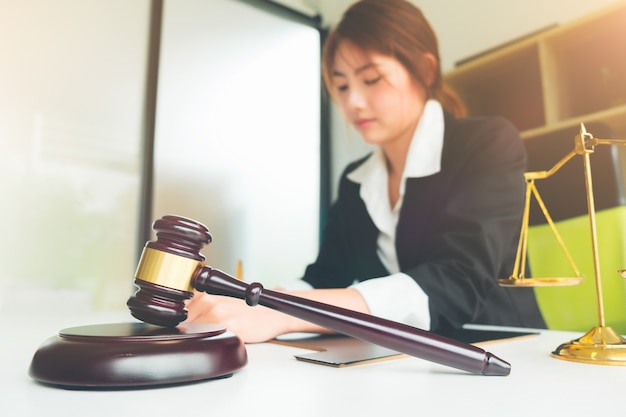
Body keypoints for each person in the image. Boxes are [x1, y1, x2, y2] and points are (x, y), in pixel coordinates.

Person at [185, 0, 546, 342]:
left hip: (503, 351)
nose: (353, 102)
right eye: (341, 86)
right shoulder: (357, 180)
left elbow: (456, 282)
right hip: (405, 362)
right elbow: (325, 278)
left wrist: (282, 314)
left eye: (371, 79)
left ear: (424, 71)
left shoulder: (487, 144)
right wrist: (249, 301)